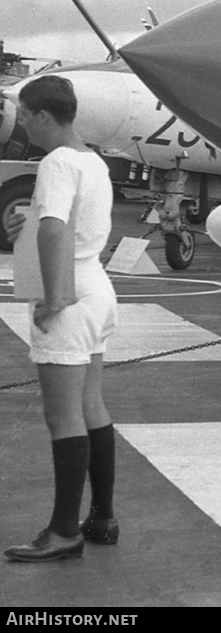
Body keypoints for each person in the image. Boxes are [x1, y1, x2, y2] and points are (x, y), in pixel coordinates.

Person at [4, 76, 118, 562]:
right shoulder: (92, 161)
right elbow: (65, 226)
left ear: (45, 116)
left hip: (69, 295)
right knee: (92, 407)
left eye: (26, 116)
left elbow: (54, 231)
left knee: (62, 415)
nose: (24, 124)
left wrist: (53, 299)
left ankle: (63, 530)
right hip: (96, 288)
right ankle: (102, 517)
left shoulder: (54, 162)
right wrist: (24, 226)